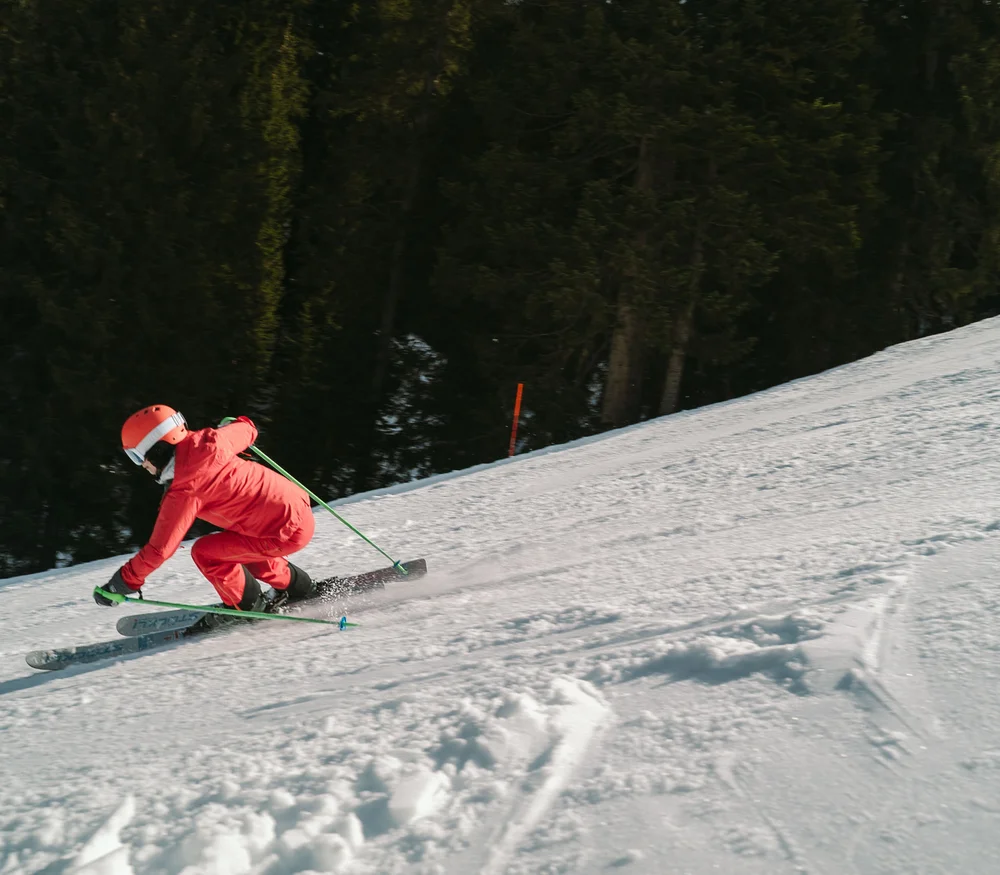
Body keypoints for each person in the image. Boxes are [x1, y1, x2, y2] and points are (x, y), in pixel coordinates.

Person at [94, 405, 317, 615]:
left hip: (281, 534)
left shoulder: (185, 490)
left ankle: (247, 606)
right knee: (236, 547)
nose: (142, 465)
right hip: (296, 508)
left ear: (158, 448)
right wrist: (236, 423)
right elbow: (248, 430)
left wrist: (123, 582)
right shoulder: (211, 439)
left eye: (137, 457)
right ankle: (300, 587)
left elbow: (160, 550)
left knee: (206, 553)